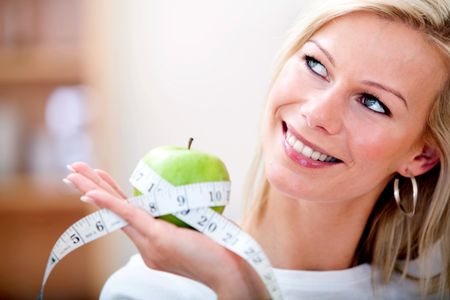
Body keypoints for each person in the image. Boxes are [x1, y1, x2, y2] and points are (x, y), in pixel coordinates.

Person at [64, 0, 450, 299]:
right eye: (316, 65)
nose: (317, 113)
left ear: (421, 158)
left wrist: (241, 288)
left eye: (373, 103)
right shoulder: (148, 291)